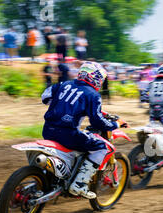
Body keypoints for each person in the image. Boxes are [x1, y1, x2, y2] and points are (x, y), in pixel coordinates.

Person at [41, 61, 128, 199]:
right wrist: (116, 124)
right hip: (68, 134)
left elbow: (45, 97)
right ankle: (79, 184)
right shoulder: (93, 95)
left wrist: (65, 104)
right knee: (102, 147)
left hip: (47, 130)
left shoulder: (64, 84)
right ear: (96, 77)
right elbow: (97, 122)